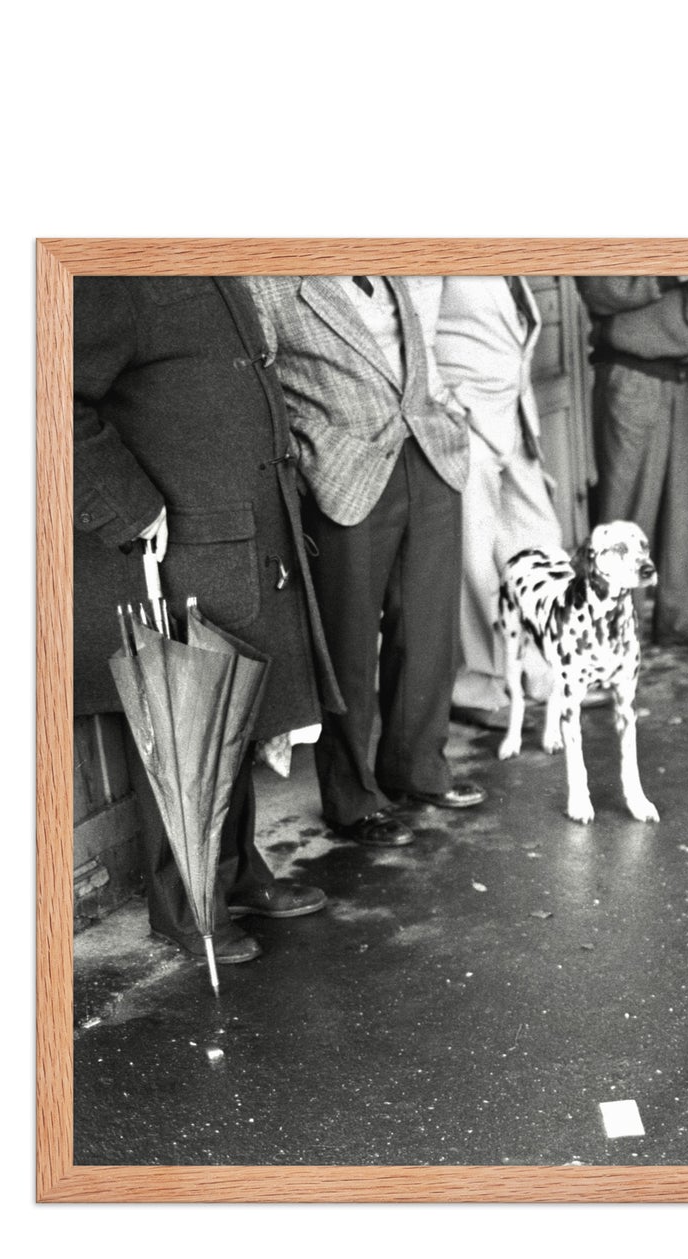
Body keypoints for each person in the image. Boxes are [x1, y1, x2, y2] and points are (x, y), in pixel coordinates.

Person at [74, 276, 344, 964]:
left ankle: (237, 874)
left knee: (230, 716)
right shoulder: (115, 276)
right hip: (167, 542)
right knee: (180, 723)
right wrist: (126, 506)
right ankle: (188, 907)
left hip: (233, 536)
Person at [242, 275, 479, 847]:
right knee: (346, 648)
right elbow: (257, 386)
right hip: (343, 474)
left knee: (428, 633)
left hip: (428, 456)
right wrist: (312, 450)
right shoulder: (266, 278)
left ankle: (417, 768)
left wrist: (450, 413)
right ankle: (352, 800)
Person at [417, 275, 566, 728]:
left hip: (514, 416)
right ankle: (478, 687)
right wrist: (450, 410)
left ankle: (546, 675)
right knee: (475, 560)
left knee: (540, 539)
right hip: (466, 425)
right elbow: (417, 336)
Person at [576, 275, 688, 652]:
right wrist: (673, 271)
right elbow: (599, 288)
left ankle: (682, 617)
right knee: (625, 511)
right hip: (635, 373)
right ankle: (613, 633)